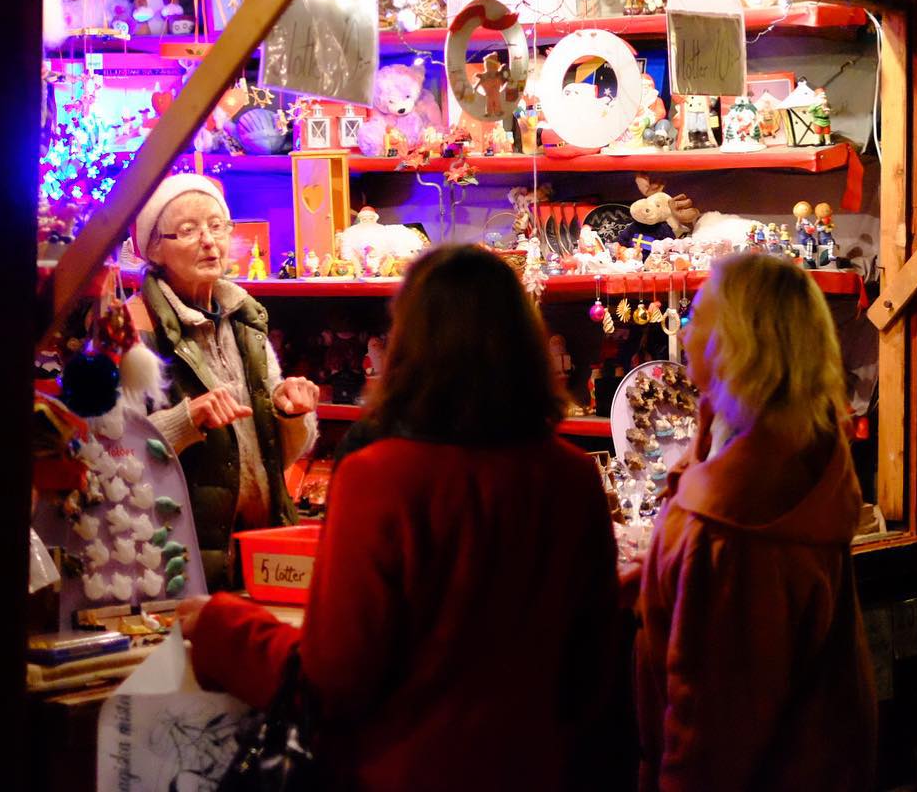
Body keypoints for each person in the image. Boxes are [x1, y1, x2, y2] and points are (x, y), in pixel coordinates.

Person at [178, 245, 620, 791]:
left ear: (410, 343)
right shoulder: (571, 477)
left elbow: (332, 679)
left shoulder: (379, 478)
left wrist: (224, 626)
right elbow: (594, 663)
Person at [635, 253, 876, 791]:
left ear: (739, 342)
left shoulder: (739, 523)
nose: (685, 332)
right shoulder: (796, 458)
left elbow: (714, 732)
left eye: (698, 316)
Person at [130, 174, 318, 590]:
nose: (209, 241)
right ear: (154, 248)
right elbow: (118, 456)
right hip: (182, 561)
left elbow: (281, 459)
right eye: (188, 230)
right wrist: (185, 421)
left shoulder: (245, 322)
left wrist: (292, 415)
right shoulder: (137, 329)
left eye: (217, 226)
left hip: (265, 548)